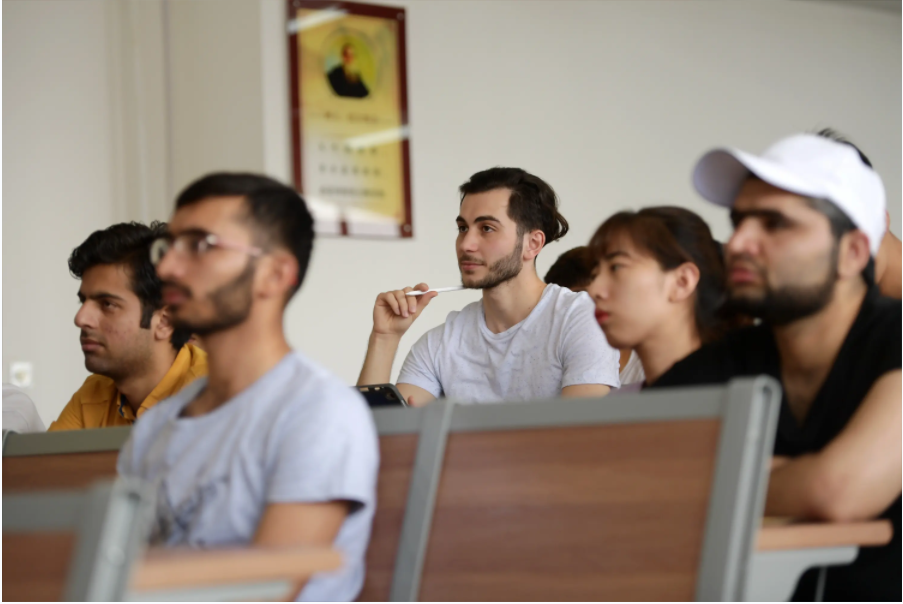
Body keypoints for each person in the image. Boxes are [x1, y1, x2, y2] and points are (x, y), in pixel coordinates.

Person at [654, 131, 901, 601]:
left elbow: (838, 490)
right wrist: (785, 476)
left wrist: (711, 478)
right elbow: (634, 478)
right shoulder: (727, 361)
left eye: (775, 223)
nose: (739, 242)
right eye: (739, 221)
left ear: (852, 252)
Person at [117, 173, 378, 601]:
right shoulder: (157, 424)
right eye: (169, 247)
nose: (166, 268)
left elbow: (264, 594)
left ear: (274, 275)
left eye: (200, 245)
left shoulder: (319, 412)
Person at [358, 167, 620, 406]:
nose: (466, 244)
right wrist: (384, 337)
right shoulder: (440, 343)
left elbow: (580, 434)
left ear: (532, 244)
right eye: (463, 228)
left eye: (486, 228)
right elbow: (372, 433)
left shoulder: (581, 318)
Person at [49, 222, 207, 431]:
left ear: (165, 321)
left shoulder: (221, 395)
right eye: (83, 301)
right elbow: (47, 455)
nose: (80, 318)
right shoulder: (92, 396)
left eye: (107, 304)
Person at [585, 207, 728, 391]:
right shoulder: (617, 404)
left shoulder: (739, 397)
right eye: (595, 274)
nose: (593, 290)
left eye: (616, 267)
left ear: (682, 282)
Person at [544, 246, 645, 386]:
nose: (594, 308)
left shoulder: (648, 365)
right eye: (581, 301)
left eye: (601, 296)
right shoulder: (549, 363)